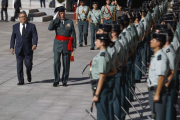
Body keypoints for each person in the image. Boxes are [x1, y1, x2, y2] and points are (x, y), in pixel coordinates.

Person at [48, 6, 76, 87]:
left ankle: (64, 80)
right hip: (57, 45)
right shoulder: (56, 22)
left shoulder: (69, 22)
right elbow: (49, 28)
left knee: (66, 63)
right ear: (58, 14)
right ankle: (56, 80)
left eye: (63, 13)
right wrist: (53, 19)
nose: (62, 14)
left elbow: (73, 33)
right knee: (56, 62)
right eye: (61, 13)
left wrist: (73, 45)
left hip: (67, 45)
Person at [91, 33, 117, 120]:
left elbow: (102, 76)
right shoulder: (106, 53)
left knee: (102, 114)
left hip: (100, 86)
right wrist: (104, 74)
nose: (95, 42)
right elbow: (114, 71)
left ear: (102, 43)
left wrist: (97, 95)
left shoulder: (102, 56)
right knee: (106, 111)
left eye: (97, 41)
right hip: (103, 85)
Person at [10, 11, 38, 85]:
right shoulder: (15, 26)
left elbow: (35, 36)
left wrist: (34, 44)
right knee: (19, 65)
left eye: (24, 16)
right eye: (22, 17)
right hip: (19, 49)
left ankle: (28, 72)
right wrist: (11, 47)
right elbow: (13, 37)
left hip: (28, 48)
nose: (23, 18)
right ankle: (21, 80)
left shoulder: (31, 26)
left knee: (28, 64)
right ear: (19, 18)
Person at [147, 33, 169, 120]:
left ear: (158, 43)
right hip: (154, 89)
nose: (151, 41)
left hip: (157, 90)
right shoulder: (156, 56)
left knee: (159, 117)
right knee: (155, 116)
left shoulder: (160, 57)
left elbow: (161, 77)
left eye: (153, 40)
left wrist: (157, 93)